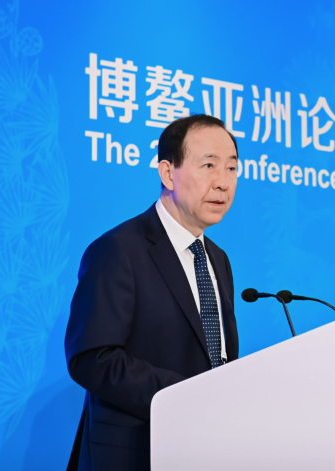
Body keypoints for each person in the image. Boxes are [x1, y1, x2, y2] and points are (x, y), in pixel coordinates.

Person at [64, 114, 240, 471]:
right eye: (209, 165)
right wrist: (187, 396)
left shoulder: (218, 259)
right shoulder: (118, 250)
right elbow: (91, 358)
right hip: (136, 452)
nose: (223, 182)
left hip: (207, 449)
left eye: (232, 168)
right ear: (168, 173)